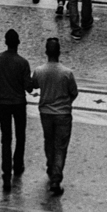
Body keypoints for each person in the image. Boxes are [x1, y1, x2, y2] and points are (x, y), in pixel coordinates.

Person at [31, 37, 77, 197]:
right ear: (59, 52)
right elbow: (74, 93)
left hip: (46, 113)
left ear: (46, 52)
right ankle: (56, 178)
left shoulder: (39, 71)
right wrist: (66, 103)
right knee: (60, 147)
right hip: (63, 114)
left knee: (48, 142)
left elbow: (33, 85)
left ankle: (51, 167)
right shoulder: (67, 73)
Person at [0, 27, 31, 193]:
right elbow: (27, 87)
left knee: (6, 138)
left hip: (3, 103)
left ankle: (6, 174)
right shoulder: (23, 63)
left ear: (6, 42)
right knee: (20, 135)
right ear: (18, 43)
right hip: (19, 103)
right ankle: (18, 163)